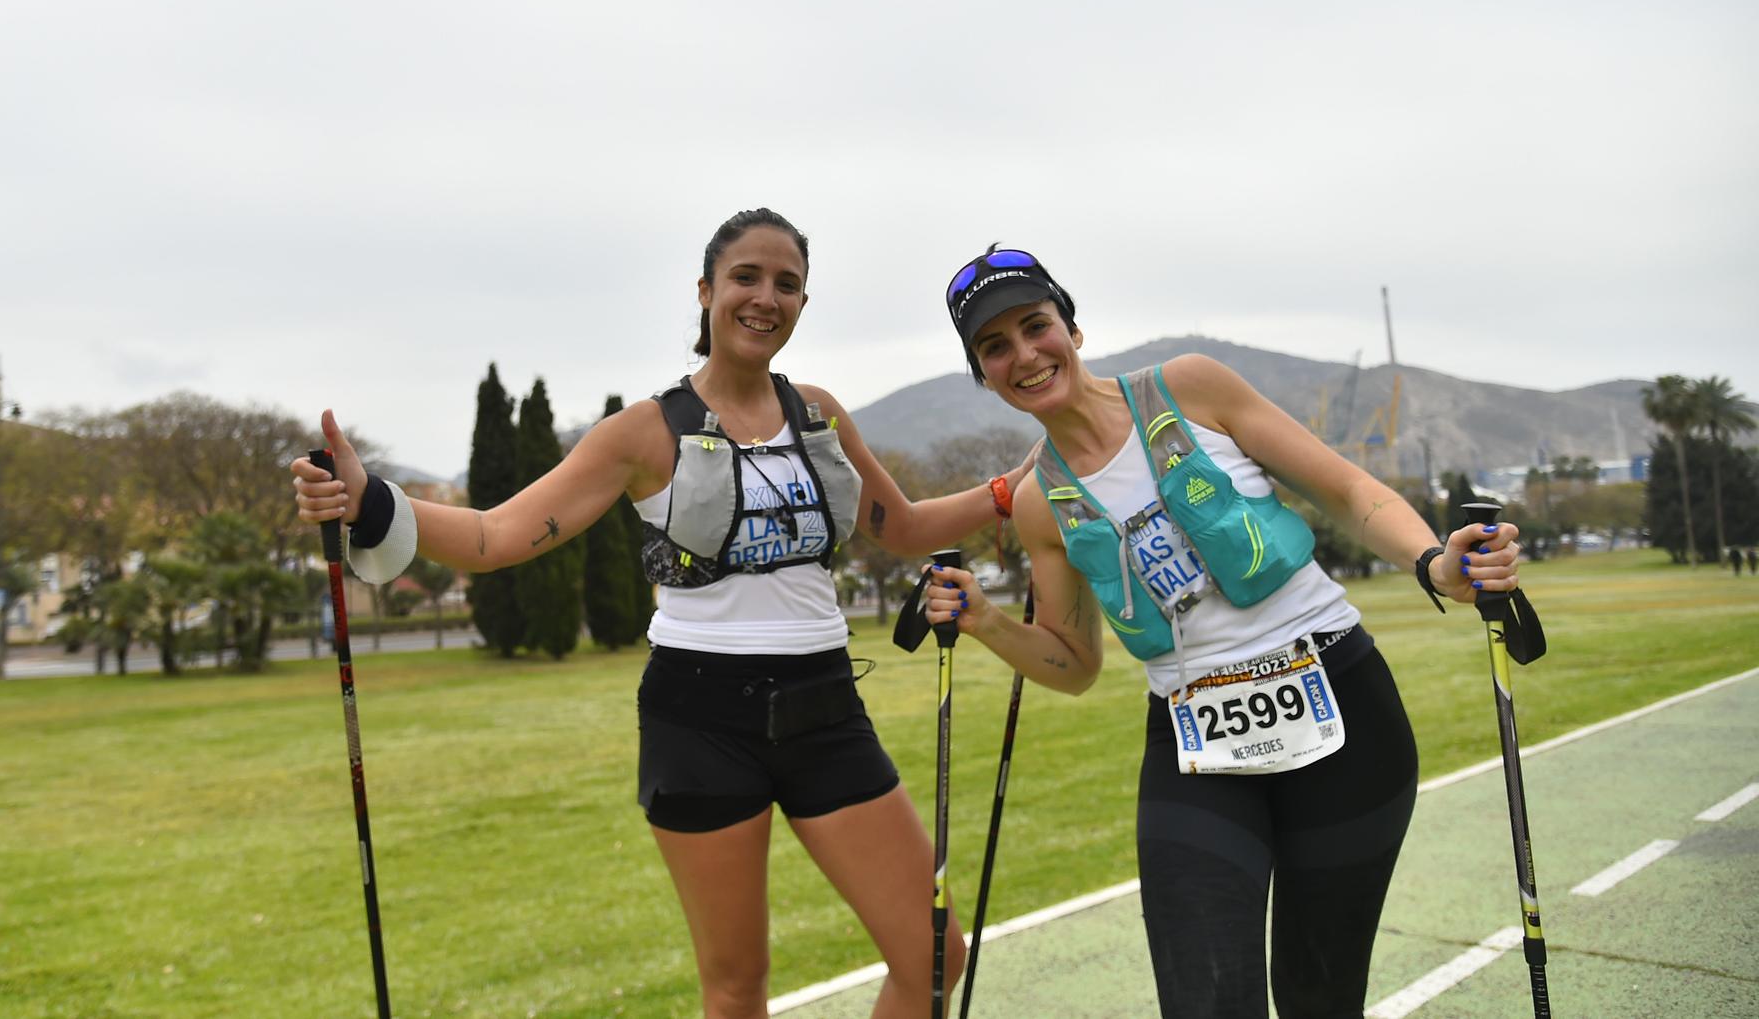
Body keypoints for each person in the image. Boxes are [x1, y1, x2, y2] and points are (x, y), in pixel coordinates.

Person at [292, 208, 1033, 1019]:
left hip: (827, 709)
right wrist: (371, 503)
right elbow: (493, 534)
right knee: (736, 987)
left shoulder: (818, 411)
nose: (765, 297)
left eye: (787, 284)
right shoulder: (643, 431)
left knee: (933, 953)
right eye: (746, 277)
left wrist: (1008, 490)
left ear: (802, 304)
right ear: (707, 289)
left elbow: (907, 527)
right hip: (700, 717)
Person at [919, 245, 1524, 1019]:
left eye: (1035, 326)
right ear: (983, 373)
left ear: (1070, 325)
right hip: (1193, 737)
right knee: (1205, 1000)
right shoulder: (1042, 503)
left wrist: (1435, 562)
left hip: (1341, 703)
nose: (1024, 355)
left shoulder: (1191, 387)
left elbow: (1344, 485)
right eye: (994, 347)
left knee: (1319, 995)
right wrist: (986, 620)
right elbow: (1072, 664)